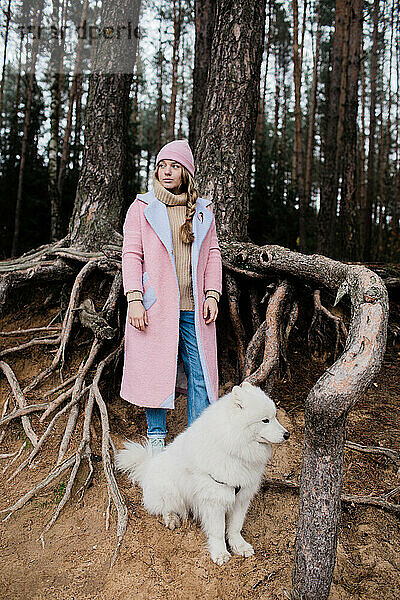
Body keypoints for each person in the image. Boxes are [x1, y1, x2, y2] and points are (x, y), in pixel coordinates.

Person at [120, 139, 223, 454]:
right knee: (156, 371)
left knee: (202, 375)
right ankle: (156, 442)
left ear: (185, 173)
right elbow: (131, 254)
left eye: (174, 166)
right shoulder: (142, 208)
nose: (167, 172)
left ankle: (198, 443)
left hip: (194, 309)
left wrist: (213, 294)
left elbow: (214, 254)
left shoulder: (203, 211)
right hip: (155, 308)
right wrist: (135, 298)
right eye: (162, 165)